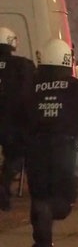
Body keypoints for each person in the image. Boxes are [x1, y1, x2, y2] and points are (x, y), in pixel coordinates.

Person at [27, 39, 78, 247]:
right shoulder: (77, 87)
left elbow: (19, 116)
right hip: (65, 150)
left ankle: (42, 240)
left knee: (39, 195)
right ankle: (48, 218)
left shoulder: (31, 87)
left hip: (36, 149)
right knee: (64, 197)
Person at [0, 27, 36, 211]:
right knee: (15, 155)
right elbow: (30, 93)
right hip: (13, 122)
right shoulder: (22, 65)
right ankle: (4, 184)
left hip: (10, 120)